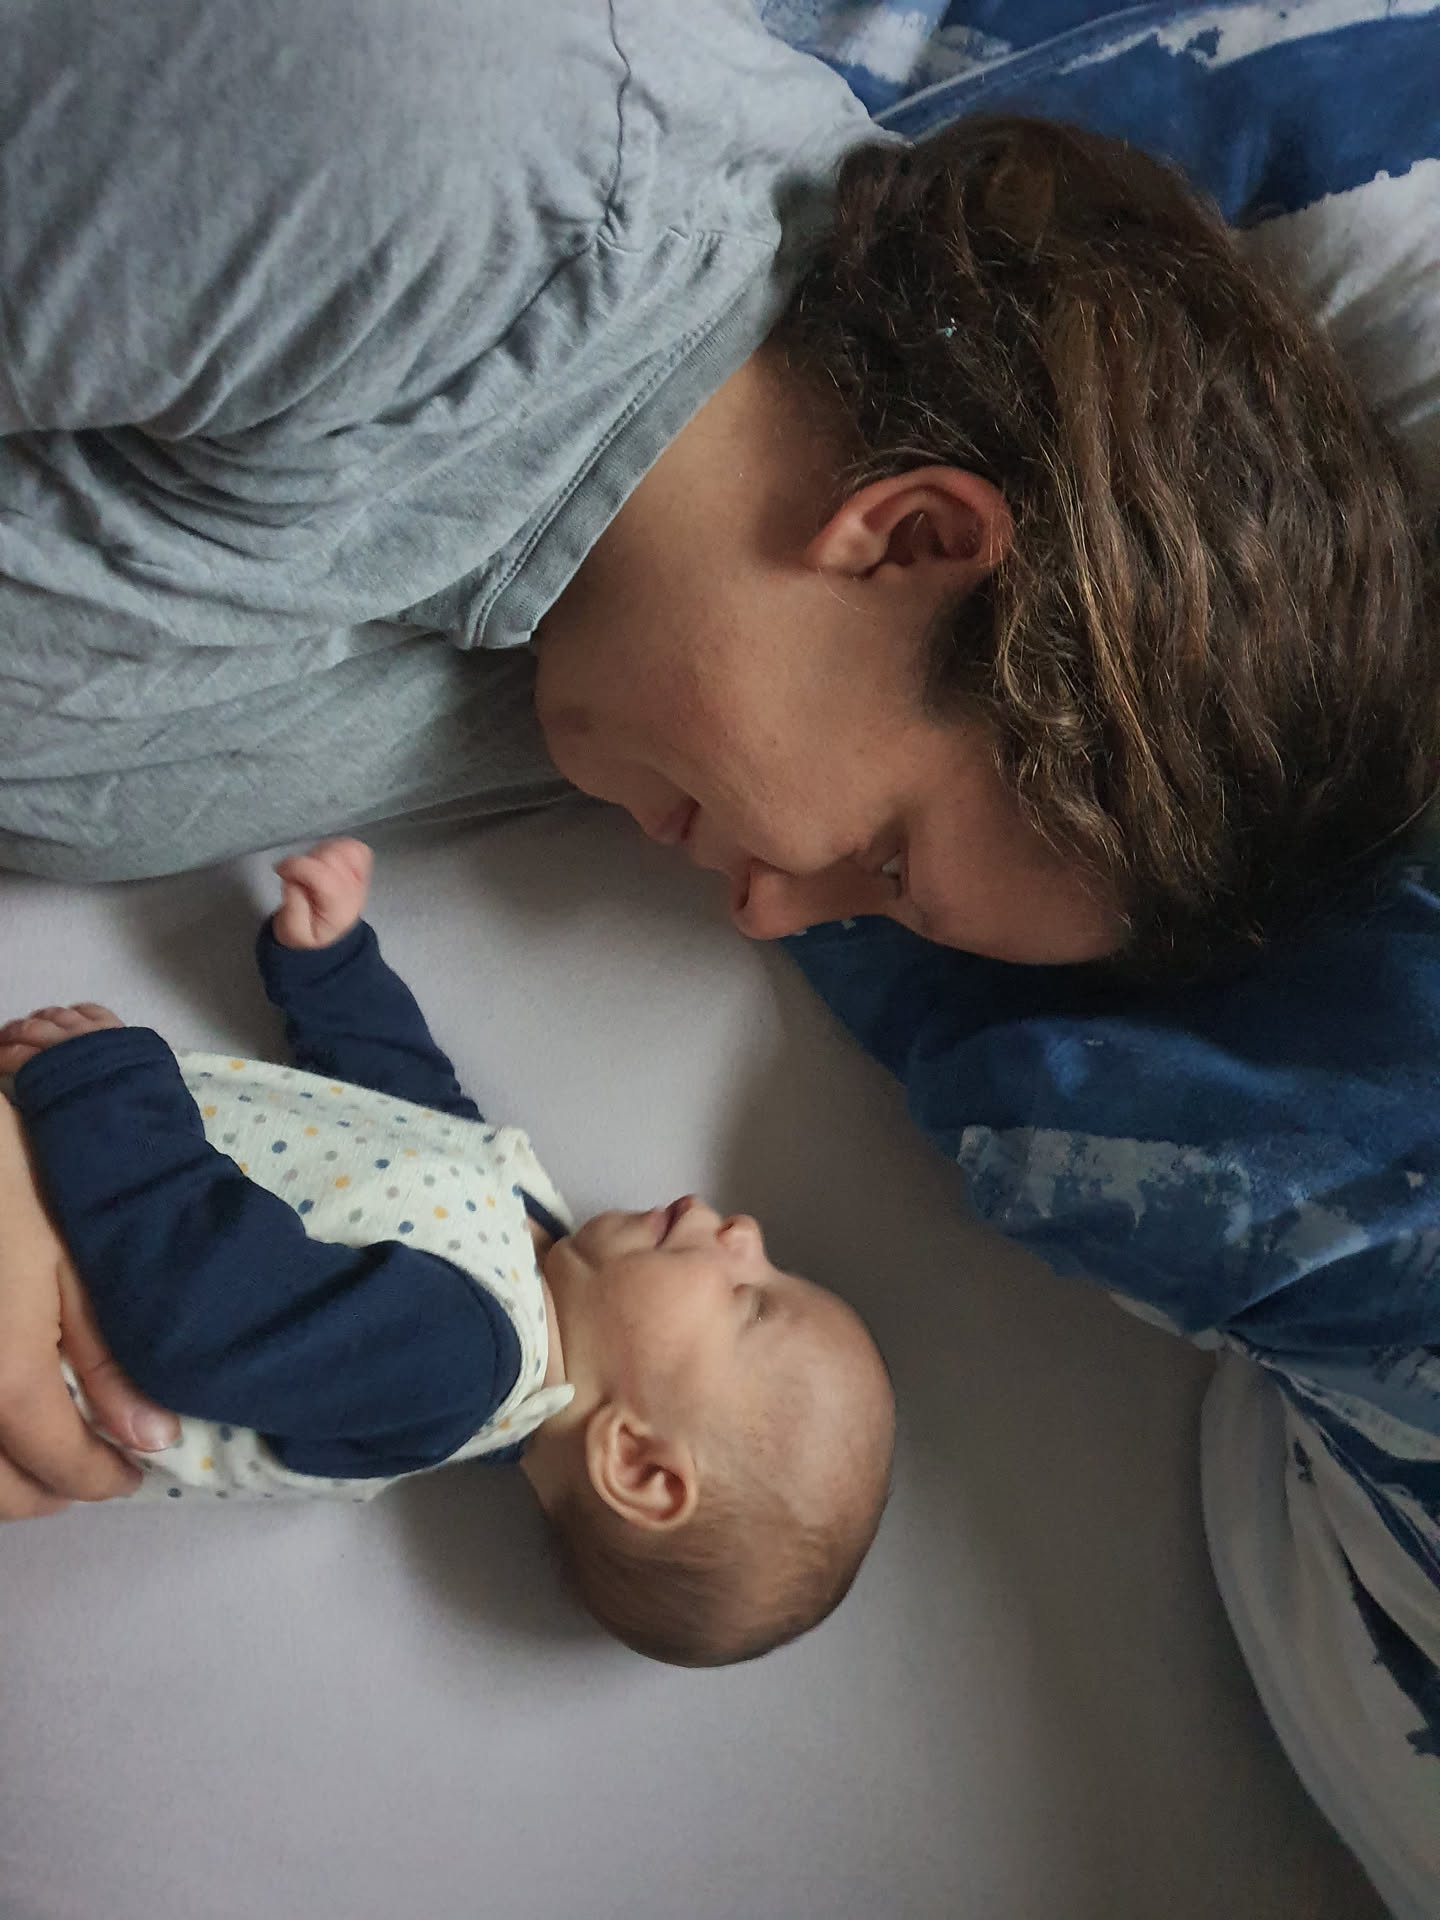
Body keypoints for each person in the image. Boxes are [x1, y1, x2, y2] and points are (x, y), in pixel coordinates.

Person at [0, 838, 895, 1667]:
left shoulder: (456, 1371)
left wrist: (107, 1096)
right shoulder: (527, 1254)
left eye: (751, 1300)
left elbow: (201, 1319)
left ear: (636, 1464)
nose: (748, 1234)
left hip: (60, 1259)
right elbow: (411, 1112)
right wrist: (333, 972)